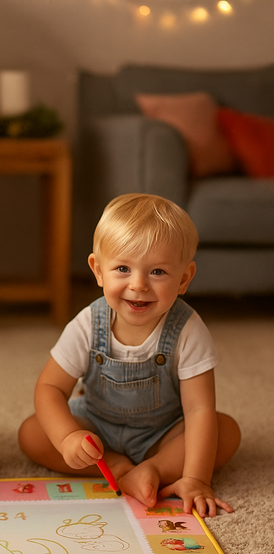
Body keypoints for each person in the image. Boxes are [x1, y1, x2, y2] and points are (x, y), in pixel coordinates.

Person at [19, 193, 240, 517]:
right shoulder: (87, 324)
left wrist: (195, 478)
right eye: (123, 268)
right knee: (33, 433)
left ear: (183, 278)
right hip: (96, 427)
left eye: (158, 272)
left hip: (163, 433)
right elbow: (50, 388)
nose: (138, 285)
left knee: (225, 431)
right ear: (98, 270)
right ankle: (117, 467)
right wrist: (68, 438)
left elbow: (199, 410)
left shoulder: (188, 330)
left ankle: (155, 469)